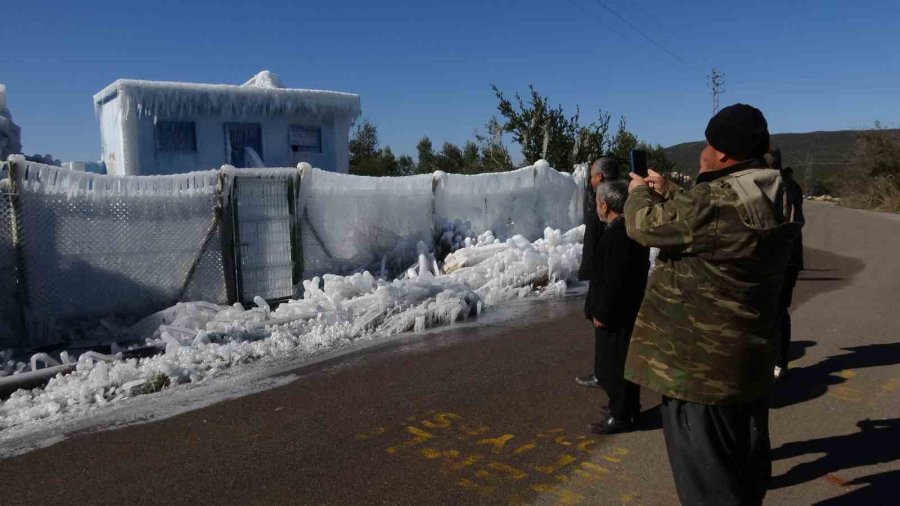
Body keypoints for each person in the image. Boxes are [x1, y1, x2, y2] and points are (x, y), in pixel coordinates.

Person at [624, 104, 802, 505]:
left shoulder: (711, 203)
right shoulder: (781, 189)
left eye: (708, 143)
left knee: (709, 487)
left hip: (699, 372)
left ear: (721, 153)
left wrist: (637, 193)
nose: (703, 150)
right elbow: (721, 217)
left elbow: (642, 226)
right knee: (742, 470)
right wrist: (672, 190)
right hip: (747, 360)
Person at [584, 181, 650, 434]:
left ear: (605, 204)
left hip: (616, 313)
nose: (597, 207)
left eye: (598, 203)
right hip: (626, 309)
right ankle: (627, 408)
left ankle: (620, 413)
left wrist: (602, 312)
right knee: (621, 363)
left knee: (614, 366)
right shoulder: (627, 229)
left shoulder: (618, 234)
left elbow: (613, 281)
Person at [577, 157, 622, 388]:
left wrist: (591, 269)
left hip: (604, 275)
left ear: (600, 177)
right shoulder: (622, 197)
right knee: (605, 326)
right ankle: (605, 372)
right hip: (606, 274)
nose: (590, 179)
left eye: (592, 175)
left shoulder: (607, 200)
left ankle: (605, 375)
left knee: (604, 323)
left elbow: (599, 242)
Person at [765, 148, 805, 378]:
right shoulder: (791, 184)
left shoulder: (779, 186)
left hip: (782, 259)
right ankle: (778, 361)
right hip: (789, 259)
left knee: (776, 311)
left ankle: (778, 363)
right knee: (779, 310)